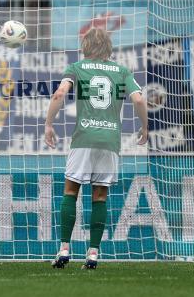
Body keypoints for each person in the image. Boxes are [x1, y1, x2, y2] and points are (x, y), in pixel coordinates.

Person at [45, 27, 148, 270]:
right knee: (100, 196)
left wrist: (49, 124)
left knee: (71, 191)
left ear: (86, 46)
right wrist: (145, 126)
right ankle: (93, 254)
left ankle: (64, 248)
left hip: (84, 138)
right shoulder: (122, 71)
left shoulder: (77, 67)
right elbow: (139, 99)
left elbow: (60, 94)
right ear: (108, 47)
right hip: (110, 140)